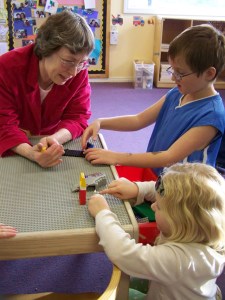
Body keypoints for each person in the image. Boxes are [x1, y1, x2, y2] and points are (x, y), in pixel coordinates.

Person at [82, 24, 225, 177]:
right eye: (173, 70)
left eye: (180, 73)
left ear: (209, 74)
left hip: (183, 192)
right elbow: (138, 120)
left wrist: (116, 156)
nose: (172, 77)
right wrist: (101, 122)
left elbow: (168, 157)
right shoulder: (177, 93)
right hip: (157, 176)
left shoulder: (212, 116)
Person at [88, 162, 225, 300]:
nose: (153, 206)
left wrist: (103, 213)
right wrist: (137, 189)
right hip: (190, 289)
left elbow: (122, 252)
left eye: (159, 207)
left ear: (179, 220)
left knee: (121, 291)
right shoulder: (203, 231)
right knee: (131, 277)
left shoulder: (178, 260)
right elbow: (167, 194)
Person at [0, 11, 94, 168]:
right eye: (68, 61)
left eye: (82, 63)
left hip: (49, 138)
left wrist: (55, 139)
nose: (74, 73)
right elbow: (3, 124)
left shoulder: (79, 71)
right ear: (46, 48)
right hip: (14, 143)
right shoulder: (7, 68)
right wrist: (32, 153)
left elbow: (78, 117)